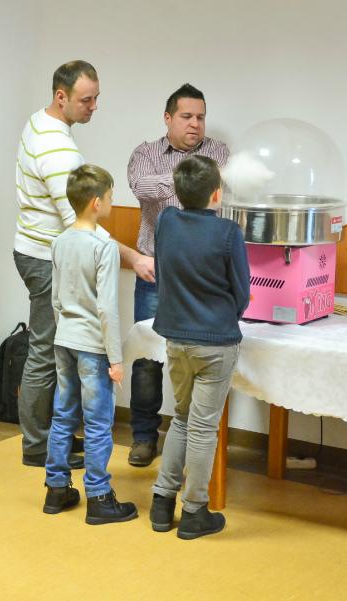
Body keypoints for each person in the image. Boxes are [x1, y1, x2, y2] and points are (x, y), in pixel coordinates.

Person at [14, 60, 152, 467]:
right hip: (45, 257)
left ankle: (52, 440)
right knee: (46, 351)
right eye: (86, 100)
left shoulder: (40, 122)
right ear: (61, 97)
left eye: (96, 98)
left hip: (37, 249)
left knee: (55, 350)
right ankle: (38, 446)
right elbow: (78, 220)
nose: (93, 107)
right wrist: (133, 257)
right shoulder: (57, 149)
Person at [125, 83, 230, 467]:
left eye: (200, 117)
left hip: (205, 275)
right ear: (168, 118)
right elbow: (141, 188)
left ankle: (193, 441)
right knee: (147, 359)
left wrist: (194, 178)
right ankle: (143, 437)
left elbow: (225, 191)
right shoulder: (145, 154)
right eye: (186, 116)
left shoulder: (219, 152)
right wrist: (189, 178)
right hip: (156, 270)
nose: (195, 124)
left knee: (203, 358)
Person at [148, 155, 250, 540]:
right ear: (217, 194)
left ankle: (162, 502)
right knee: (204, 428)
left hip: (175, 338)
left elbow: (162, 272)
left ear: (177, 192)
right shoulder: (228, 232)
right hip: (215, 340)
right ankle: (193, 512)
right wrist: (228, 315)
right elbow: (242, 291)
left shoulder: (166, 221)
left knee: (181, 418)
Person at [43, 164, 138, 525]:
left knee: (63, 414)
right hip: (93, 346)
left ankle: (56, 489)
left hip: (64, 338)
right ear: (97, 202)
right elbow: (106, 308)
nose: (113, 201)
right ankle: (99, 497)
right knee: (98, 422)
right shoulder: (104, 247)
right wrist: (116, 358)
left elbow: (55, 298)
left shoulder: (60, 241)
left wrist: (65, 332)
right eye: (111, 196)